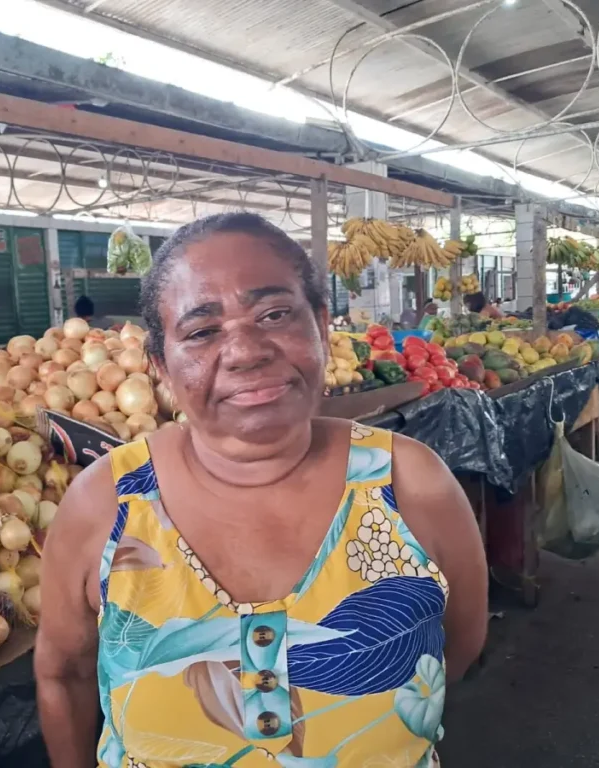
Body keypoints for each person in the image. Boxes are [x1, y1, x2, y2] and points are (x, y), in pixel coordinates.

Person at [36, 212, 487, 768]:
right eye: (202, 331)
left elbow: (458, 647)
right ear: (162, 369)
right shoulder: (105, 504)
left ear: (321, 328)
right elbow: (64, 676)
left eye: (274, 314)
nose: (246, 351)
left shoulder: (411, 483)